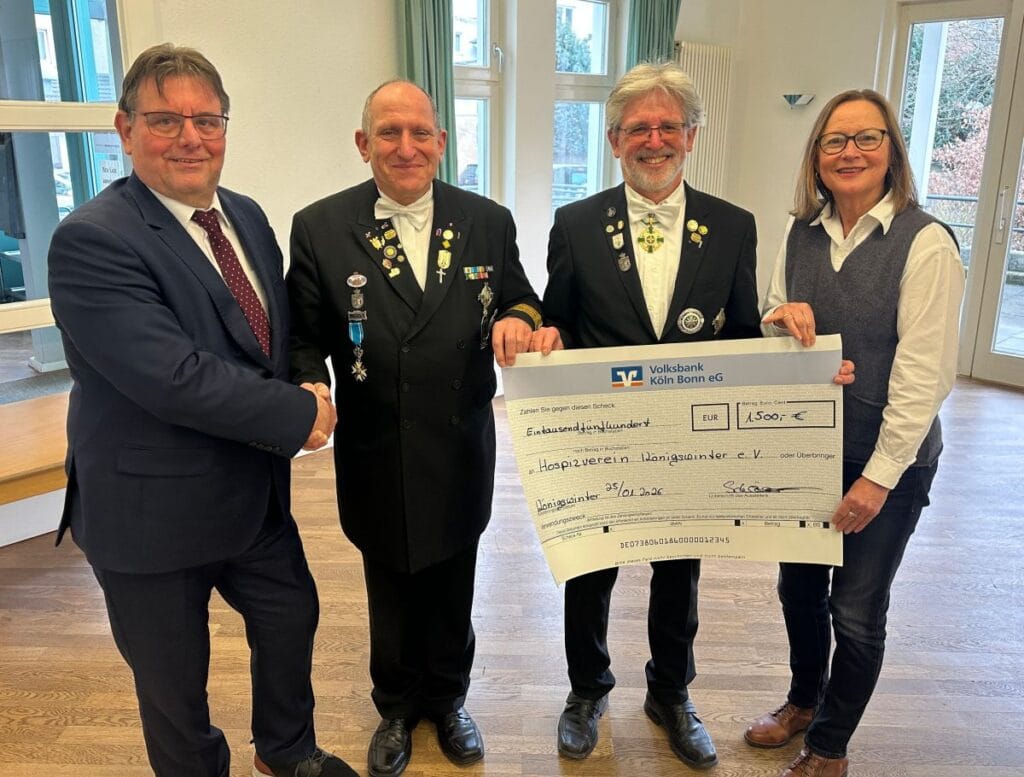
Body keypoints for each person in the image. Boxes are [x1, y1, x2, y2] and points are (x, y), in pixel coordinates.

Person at [47, 44, 356, 777]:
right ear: (125, 129)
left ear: (224, 127)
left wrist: (307, 380)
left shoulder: (243, 215)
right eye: (165, 120)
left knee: (291, 616)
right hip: (148, 514)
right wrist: (299, 416)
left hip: (249, 496)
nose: (190, 137)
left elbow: (273, 332)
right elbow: (175, 378)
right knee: (174, 685)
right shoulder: (92, 240)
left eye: (207, 120)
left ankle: (286, 750)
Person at [286, 79, 541, 777]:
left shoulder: (487, 220)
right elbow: (303, 335)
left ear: (441, 142)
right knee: (390, 583)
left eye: (420, 133)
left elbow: (522, 296)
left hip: (460, 442)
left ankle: (449, 700)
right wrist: (310, 384)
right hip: (377, 445)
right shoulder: (320, 227)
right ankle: (397, 706)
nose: (406, 147)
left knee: (456, 577)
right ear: (363, 144)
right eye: (389, 133)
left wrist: (518, 317)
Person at [529, 61, 761, 770]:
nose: (653, 140)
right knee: (589, 568)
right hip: (600, 434)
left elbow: (743, 334)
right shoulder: (574, 224)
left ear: (691, 135)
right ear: (613, 140)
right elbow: (559, 320)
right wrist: (544, 336)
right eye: (637, 128)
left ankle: (670, 692)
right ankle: (586, 690)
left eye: (667, 126)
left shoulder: (734, 226)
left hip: (688, 439)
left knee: (679, 572)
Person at [745, 89, 965, 777]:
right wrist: (781, 324)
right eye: (835, 141)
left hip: (887, 464)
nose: (850, 153)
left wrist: (878, 476)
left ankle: (830, 745)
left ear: (891, 150)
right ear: (816, 155)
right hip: (809, 451)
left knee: (857, 611)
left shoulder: (926, 243)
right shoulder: (799, 234)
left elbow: (925, 376)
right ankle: (803, 700)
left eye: (867, 138)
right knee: (799, 592)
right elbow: (770, 323)